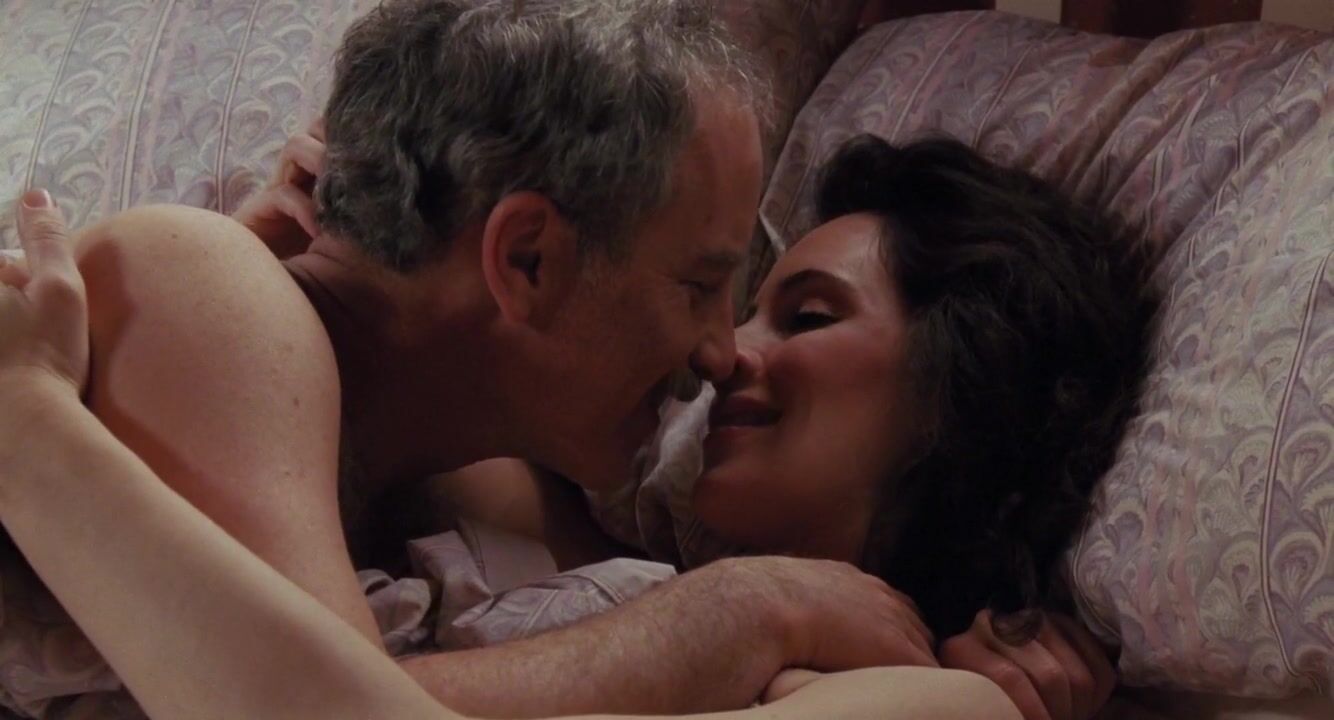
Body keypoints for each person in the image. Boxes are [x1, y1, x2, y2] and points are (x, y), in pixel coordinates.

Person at [0, 1, 945, 717]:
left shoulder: (493, 481)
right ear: (526, 259)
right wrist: (748, 610)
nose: (715, 355)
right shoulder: (200, 274)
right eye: (699, 285)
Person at [0, 189, 1029, 718]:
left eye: (804, 317)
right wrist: (319, 306)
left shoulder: (950, 702)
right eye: (712, 295)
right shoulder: (530, 496)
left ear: (962, 389)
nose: (722, 356)